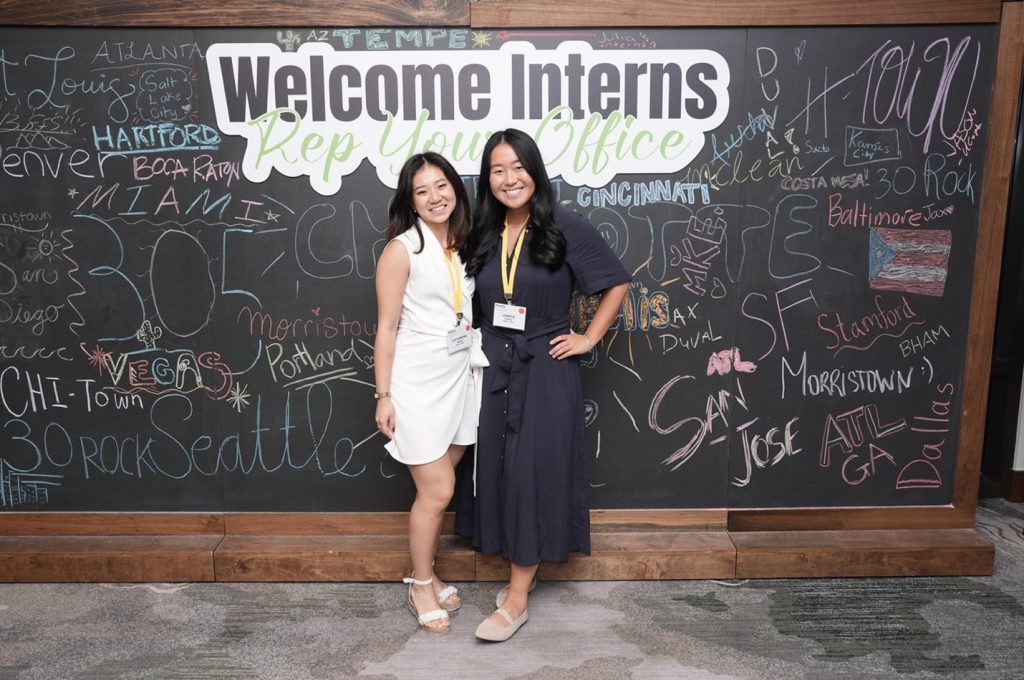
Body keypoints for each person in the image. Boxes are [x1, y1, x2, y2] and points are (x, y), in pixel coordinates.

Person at [456, 129, 631, 642]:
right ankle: (519, 572)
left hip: (547, 365)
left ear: (535, 170)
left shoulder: (564, 226)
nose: (509, 179)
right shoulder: (484, 233)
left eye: (518, 167)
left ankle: (515, 600)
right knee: (499, 471)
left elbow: (616, 281)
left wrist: (588, 339)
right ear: (486, 180)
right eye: (497, 170)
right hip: (493, 365)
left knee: (532, 474)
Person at [373, 151, 487, 634]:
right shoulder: (401, 249)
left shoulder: (465, 244)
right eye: (422, 191)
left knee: (440, 482)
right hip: (417, 382)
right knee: (438, 488)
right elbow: (385, 327)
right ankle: (421, 583)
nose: (435, 197)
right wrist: (384, 395)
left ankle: (431, 569)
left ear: (456, 190)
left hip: (461, 376)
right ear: (411, 201)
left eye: (442, 186)